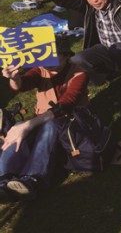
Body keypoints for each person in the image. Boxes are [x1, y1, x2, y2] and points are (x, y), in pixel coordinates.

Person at [0, 38, 88, 200]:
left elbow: (66, 105)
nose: (48, 63)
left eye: (55, 57)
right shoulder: (41, 70)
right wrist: (14, 78)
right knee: (19, 127)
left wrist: (29, 125)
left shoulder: (79, 72)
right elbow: (24, 83)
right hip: (43, 122)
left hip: (69, 126)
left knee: (49, 125)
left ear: (66, 55)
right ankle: (4, 178)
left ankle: (33, 179)